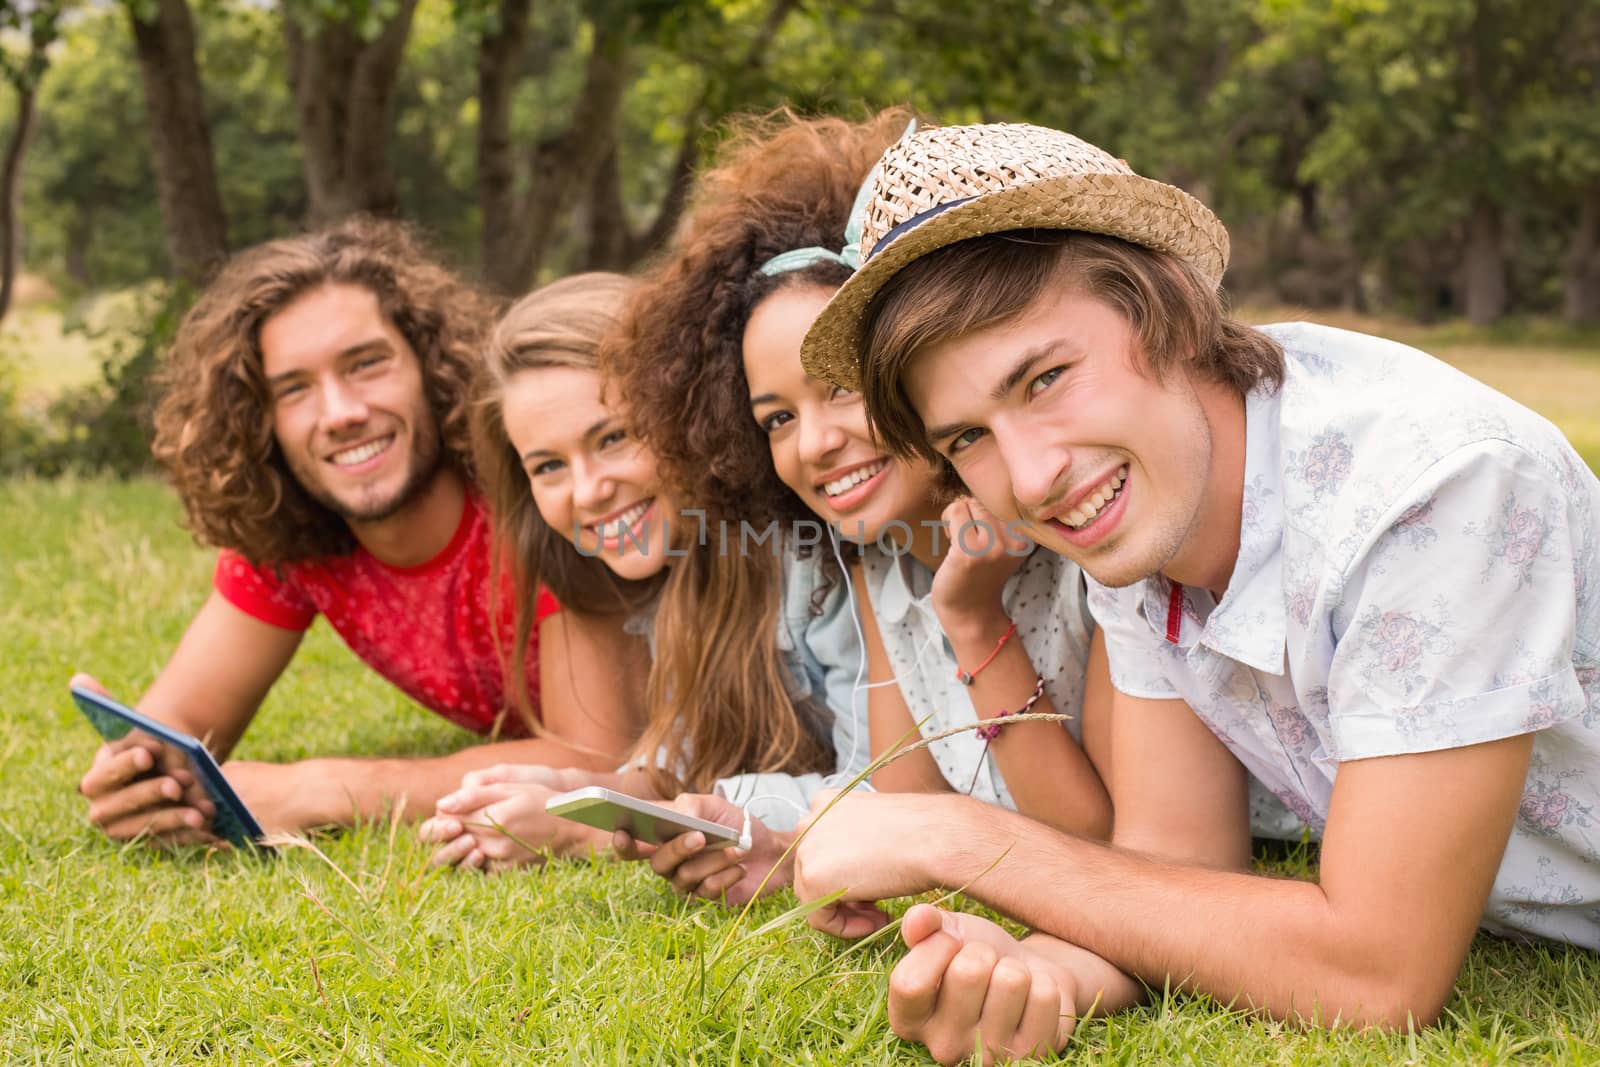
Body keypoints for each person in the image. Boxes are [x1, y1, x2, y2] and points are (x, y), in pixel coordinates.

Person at [788, 122, 1600, 1061]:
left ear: (1166, 305)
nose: (1035, 475)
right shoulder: (1145, 521)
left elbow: (1377, 974)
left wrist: (957, 840)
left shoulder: (1435, 486)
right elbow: (1172, 865)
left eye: (1046, 377)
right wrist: (1043, 973)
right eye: (968, 436)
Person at [599, 110, 1116, 905]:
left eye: (840, 390)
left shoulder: (1073, 529)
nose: (814, 444)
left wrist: (976, 621)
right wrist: (766, 845)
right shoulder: (879, 564)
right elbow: (901, 799)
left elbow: (1092, 842)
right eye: (777, 418)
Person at [76, 218, 642, 844]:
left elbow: (592, 760)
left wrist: (322, 790)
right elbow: (182, 725)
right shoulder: (293, 531)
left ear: (432, 366)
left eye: (367, 364)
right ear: (259, 420)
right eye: (294, 389)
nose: (341, 413)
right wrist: (145, 778)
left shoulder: (538, 489)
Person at [417, 272, 867, 873]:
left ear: (682, 413)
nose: (589, 490)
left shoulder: (809, 551)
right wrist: (573, 787)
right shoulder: (674, 574)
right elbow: (685, 764)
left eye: (612, 437)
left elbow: (880, 788)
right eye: (549, 465)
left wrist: (581, 829)